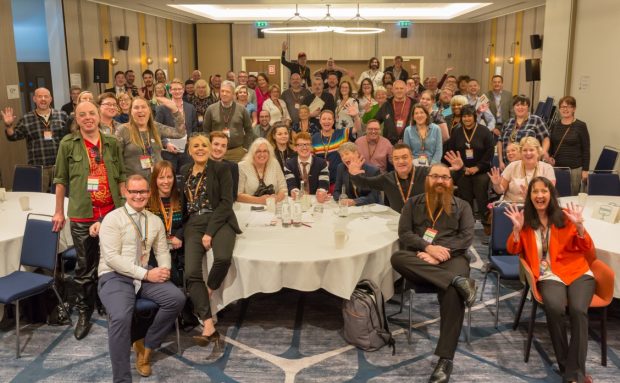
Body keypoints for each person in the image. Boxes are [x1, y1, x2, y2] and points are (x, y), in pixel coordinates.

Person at [391, 163, 476, 383]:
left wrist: (440, 252)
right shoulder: (412, 203)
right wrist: (427, 247)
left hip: (453, 257)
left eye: (445, 177)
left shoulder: (463, 205)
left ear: (451, 182)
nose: (440, 181)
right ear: (427, 179)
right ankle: (458, 281)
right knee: (397, 257)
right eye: (435, 176)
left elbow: (466, 238)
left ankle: (445, 360)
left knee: (452, 295)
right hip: (421, 258)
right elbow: (405, 233)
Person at [505, 177, 595, 383]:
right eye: (535, 191)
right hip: (548, 275)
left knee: (578, 311)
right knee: (554, 309)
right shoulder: (526, 221)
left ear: (551, 194)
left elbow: (586, 248)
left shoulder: (565, 217)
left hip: (578, 272)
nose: (539, 195)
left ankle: (573, 375)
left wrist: (580, 227)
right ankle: (569, 368)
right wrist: (516, 231)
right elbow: (513, 249)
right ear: (529, 196)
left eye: (544, 191)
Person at [97, 174, 185, 382]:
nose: (139, 196)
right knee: (120, 317)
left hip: (145, 274)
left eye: (143, 191)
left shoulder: (154, 220)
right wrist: (146, 274)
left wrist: (164, 270)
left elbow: (163, 250)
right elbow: (112, 258)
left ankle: (146, 345)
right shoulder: (112, 218)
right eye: (134, 191)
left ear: (149, 193)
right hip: (115, 276)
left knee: (177, 298)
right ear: (125, 193)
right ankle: (122, 379)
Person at [52, 101, 126, 340]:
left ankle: (106, 301)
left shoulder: (112, 143)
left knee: (111, 261)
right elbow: (61, 179)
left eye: (91, 113)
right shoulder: (68, 144)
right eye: (82, 114)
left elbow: (122, 176)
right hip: (83, 214)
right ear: (76, 117)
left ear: (98, 115)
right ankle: (85, 311)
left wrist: (126, 208)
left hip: (112, 212)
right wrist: (58, 211)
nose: (87, 118)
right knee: (85, 267)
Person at [180, 134, 241, 350]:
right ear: (189, 150)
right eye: (195, 146)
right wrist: (179, 232)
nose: (200, 149)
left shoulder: (221, 169)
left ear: (209, 149)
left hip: (220, 219)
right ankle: (208, 325)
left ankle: (208, 291)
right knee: (191, 274)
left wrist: (210, 232)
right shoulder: (185, 171)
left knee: (223, 258)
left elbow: (226, 203)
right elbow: (183, 205)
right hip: (194, 223)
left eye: (203, 145)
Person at [348, 143, 464, 213]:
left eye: (404, 157)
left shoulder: (425, 172)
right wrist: (354, 174)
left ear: (411, 158)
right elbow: (364, 183)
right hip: (398, 223)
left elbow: (447, 177)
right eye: (396, 158)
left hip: (424, 222)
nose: (401, 161)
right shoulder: (387, 179)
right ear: (392, 161)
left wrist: (459, 169)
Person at [2, 87, 69, 192]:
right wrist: (9, 126)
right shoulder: (27, 118)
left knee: (61, 196)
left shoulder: (62, 115)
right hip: (38, 167)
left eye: (46, 96)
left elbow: (70, 137)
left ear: (50, 99)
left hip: (59, 166)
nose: (43, 99)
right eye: (39, 96)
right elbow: (13, 136)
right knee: (40, 197)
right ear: (34, 99)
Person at [444, 105, 494, 226]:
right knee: (463, 184)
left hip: (481, 170)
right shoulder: (456, 132)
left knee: (480, 184)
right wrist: (463, 168)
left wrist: (477, 168)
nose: (467, 119)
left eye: (469, 116)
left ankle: (485, 219)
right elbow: (452, 151)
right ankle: (466, 219)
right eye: (464, 116)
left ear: (474, 117)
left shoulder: (484, 131)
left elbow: (490, 153)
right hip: (462, 170)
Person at [115, 96, 186, 178]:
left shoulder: (156, 127)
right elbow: (116, 159)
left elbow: (180, 133)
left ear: (149, 110)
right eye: (136, 108)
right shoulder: (123, 130)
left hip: (157, 181)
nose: (140, 110)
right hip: (135, 184)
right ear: (131, 111)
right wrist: (122, 182)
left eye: (143, 107)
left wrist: (175, 110)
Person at [147, 161, 184, 285]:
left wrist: (180, 235)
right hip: (156, 247)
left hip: (179, 244)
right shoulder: (147, 200)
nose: (166, 181)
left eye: (169, 177)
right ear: (154, 180)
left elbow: (189, 220)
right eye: (161, 177)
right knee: (172, 278)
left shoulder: (181, 197)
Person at [489, 136, 555, 204]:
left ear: (538, 152)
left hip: (537, 205)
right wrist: (496, 184)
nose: (528, 153)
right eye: (525, 150)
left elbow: (550, 193)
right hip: (512, 206)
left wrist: (531, 197)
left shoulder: (547, 168)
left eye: (531, 150)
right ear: (520, 152)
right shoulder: (512, 166)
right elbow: (500, 191)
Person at [547, 96, 590, 195]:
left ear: (574, 109)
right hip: (556, 168)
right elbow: (552, 145)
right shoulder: (555, 125)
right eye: (562, 107)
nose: (565, 109)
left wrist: (585, 170)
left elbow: (586, 149)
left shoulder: (581, 126)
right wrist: (549, 157)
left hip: (574, 169)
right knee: (556, 195)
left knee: (571, 197)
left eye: (569, 106)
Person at [202, 80, 254, 162]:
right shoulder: (211, 109)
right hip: (216, 151)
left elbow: (249, 130)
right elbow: (206, 130)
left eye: (227, 92)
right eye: (222, 91)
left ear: (233, 94)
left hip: (237, 152)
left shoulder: (242, 109)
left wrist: (245, 148)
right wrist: (209, 147)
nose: (224, 94)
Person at [156, 78, 198, 174]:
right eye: (174, 89)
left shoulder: (190, 107)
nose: (177, 91)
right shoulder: (162, 108)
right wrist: (166, 144)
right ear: (170, 91)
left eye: (179, 89)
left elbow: (194, 128)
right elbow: (156, 129)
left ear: (183, 90)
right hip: (169, 151)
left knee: (187, 176)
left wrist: (192, 142)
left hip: (187, 150)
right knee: (171, 177)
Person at [497, 95, 550, 169]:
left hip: (529, 165)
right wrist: (500, 161)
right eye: (517, 105)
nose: (520, 107)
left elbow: (545, 139)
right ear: (513, 107)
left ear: (528, 107)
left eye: (523, 105)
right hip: (508, 165)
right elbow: (500, 141)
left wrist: (542, 153)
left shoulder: (536, 120)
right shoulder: (508, 122)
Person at [311, 109, 359, 187]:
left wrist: (356, 116)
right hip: (321, 180)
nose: (326, 121)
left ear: (334, 121)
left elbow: (356, 129)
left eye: (329, 119)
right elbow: (312, 158)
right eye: (324, 119)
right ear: (319, 121)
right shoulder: (314, 138)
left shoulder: (341, 133)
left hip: (339, 180)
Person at [237, 137, 287, 204]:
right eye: (258, 151)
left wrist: (276, 199)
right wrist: (259, 200)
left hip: (272, 206)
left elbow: (283, 188)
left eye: (265, 151)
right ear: (252, 153)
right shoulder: (242, 166)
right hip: (250, 208)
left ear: (269, 153)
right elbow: (238, 195)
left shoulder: (274, 163)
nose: (262, 154)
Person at [283, 132, 330, 201]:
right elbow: (291, 184)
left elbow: (324, 183)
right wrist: (294, 192)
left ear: (311, 147)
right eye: (300, 145)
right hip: (297, 200)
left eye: (307, 144)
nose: (304, 148)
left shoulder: (322, 163)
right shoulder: (289, 164)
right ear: (295, 148)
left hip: (316, 200)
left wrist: (321, 192)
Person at [375, 80, 414, 145]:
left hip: (409, 142)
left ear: (406, 89)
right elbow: (375, 121)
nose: (399, 91)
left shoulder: (414, 104)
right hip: (389, 143)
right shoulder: (386, 105)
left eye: (401, 88)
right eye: (396, 88)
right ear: (392, 90)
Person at [209, 131, 239, 200]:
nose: (219, 148)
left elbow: (233, 196)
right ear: (209, 145)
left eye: (223, 146)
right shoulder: (200, 165)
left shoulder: (233, 167)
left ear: (226, 149)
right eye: (216, 144)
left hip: (224, 208)